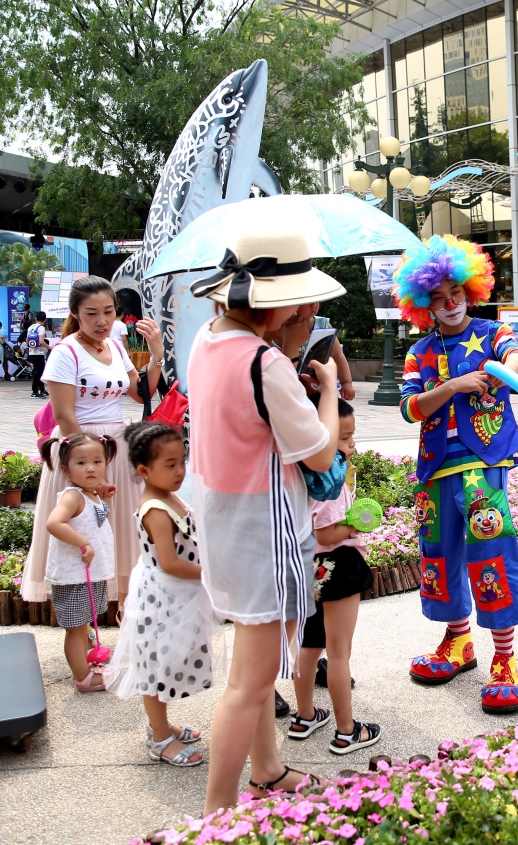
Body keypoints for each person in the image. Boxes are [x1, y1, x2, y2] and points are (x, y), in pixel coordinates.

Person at [187, 229, 345, 812]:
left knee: (249, 668)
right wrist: (326, 390)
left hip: (224, 521)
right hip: (266, 529)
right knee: (249, 684)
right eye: (301, 303)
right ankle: (217, 814)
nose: (307, 312)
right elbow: (321, 454)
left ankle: (269, 771)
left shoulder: (207, 338)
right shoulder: (266, 361)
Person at [396, 235, 518, 717]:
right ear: (423, 304)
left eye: (456, 292)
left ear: (470, 291)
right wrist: (452, 386)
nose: (450, 302)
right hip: (435, 469)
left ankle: (505, 659)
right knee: (438, 555)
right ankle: (458, 642)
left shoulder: (492, 333)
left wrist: (506, 369)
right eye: (438, 296)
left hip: (482, 465)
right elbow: (409, 408)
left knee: (490, 552)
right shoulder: (419, 352)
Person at [22, 278, 164, 616]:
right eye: (91, 313)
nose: (102, 321)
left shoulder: (114, 346)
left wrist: (156, 353)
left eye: (108, 312)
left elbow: (140, 393)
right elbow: (64, 415)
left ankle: (126, 616)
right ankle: (82, 626)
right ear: (75, 313)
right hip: (79, 451)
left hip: (117, 448)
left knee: (124, 533)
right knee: (82, 534)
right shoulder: (65, 352)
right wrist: (90, 470)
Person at [105, 422, 218, 768]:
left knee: (168, 661)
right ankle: (159, 737)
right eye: (170, 465)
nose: (180, 471)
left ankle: (162, 726)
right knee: (155, 667)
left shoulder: (168, 495)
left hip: (174, 595)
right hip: (161, 598)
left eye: (182, 461)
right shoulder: (155, 508)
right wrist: (210, 575)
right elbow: (169, 562)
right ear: (144, 471)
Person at [289, 399, 380, 755]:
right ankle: (347, 731)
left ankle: (304, 716)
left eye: (352, 435)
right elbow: (326, 533)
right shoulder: (328, 483)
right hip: (337, 565)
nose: (351, 444)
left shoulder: (298, 473)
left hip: (308, 568)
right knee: (339, 653)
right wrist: (357, 524)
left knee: (309, 647)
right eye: (343, 437)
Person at [39, 432, 118, 693]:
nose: (91, 468)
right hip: (74, 577)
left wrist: (101, 493)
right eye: (81, 463)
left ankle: (87, 660)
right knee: (75, 629)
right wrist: (83, 542)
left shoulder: (90, 494)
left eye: (97, 462)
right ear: (66, 470)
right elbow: (54, 523)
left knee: (84, 623)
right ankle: (83, 677)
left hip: (88, 574)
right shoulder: (72, 496)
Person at [27, 311, 50, 398]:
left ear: (35, 318)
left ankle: (42, 390)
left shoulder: (30, 327)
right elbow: (41, 341)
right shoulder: (41, 328)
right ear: (45, 320)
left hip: (31, 352)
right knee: (38, 373)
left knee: (39, 371)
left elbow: (27, 340)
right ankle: (35, 392)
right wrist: (49, 347)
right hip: (39, 353)